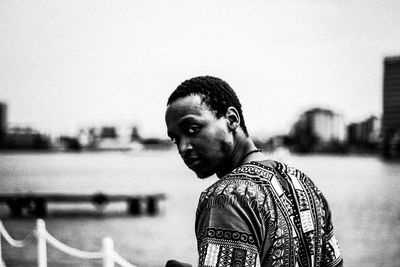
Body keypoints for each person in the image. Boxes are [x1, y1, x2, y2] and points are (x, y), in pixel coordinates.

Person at [165, 76, 343, 267]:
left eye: (193, 129)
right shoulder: (303, 183)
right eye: (176, 139)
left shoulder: (227, 197)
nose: (183, 147)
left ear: (231, 120)